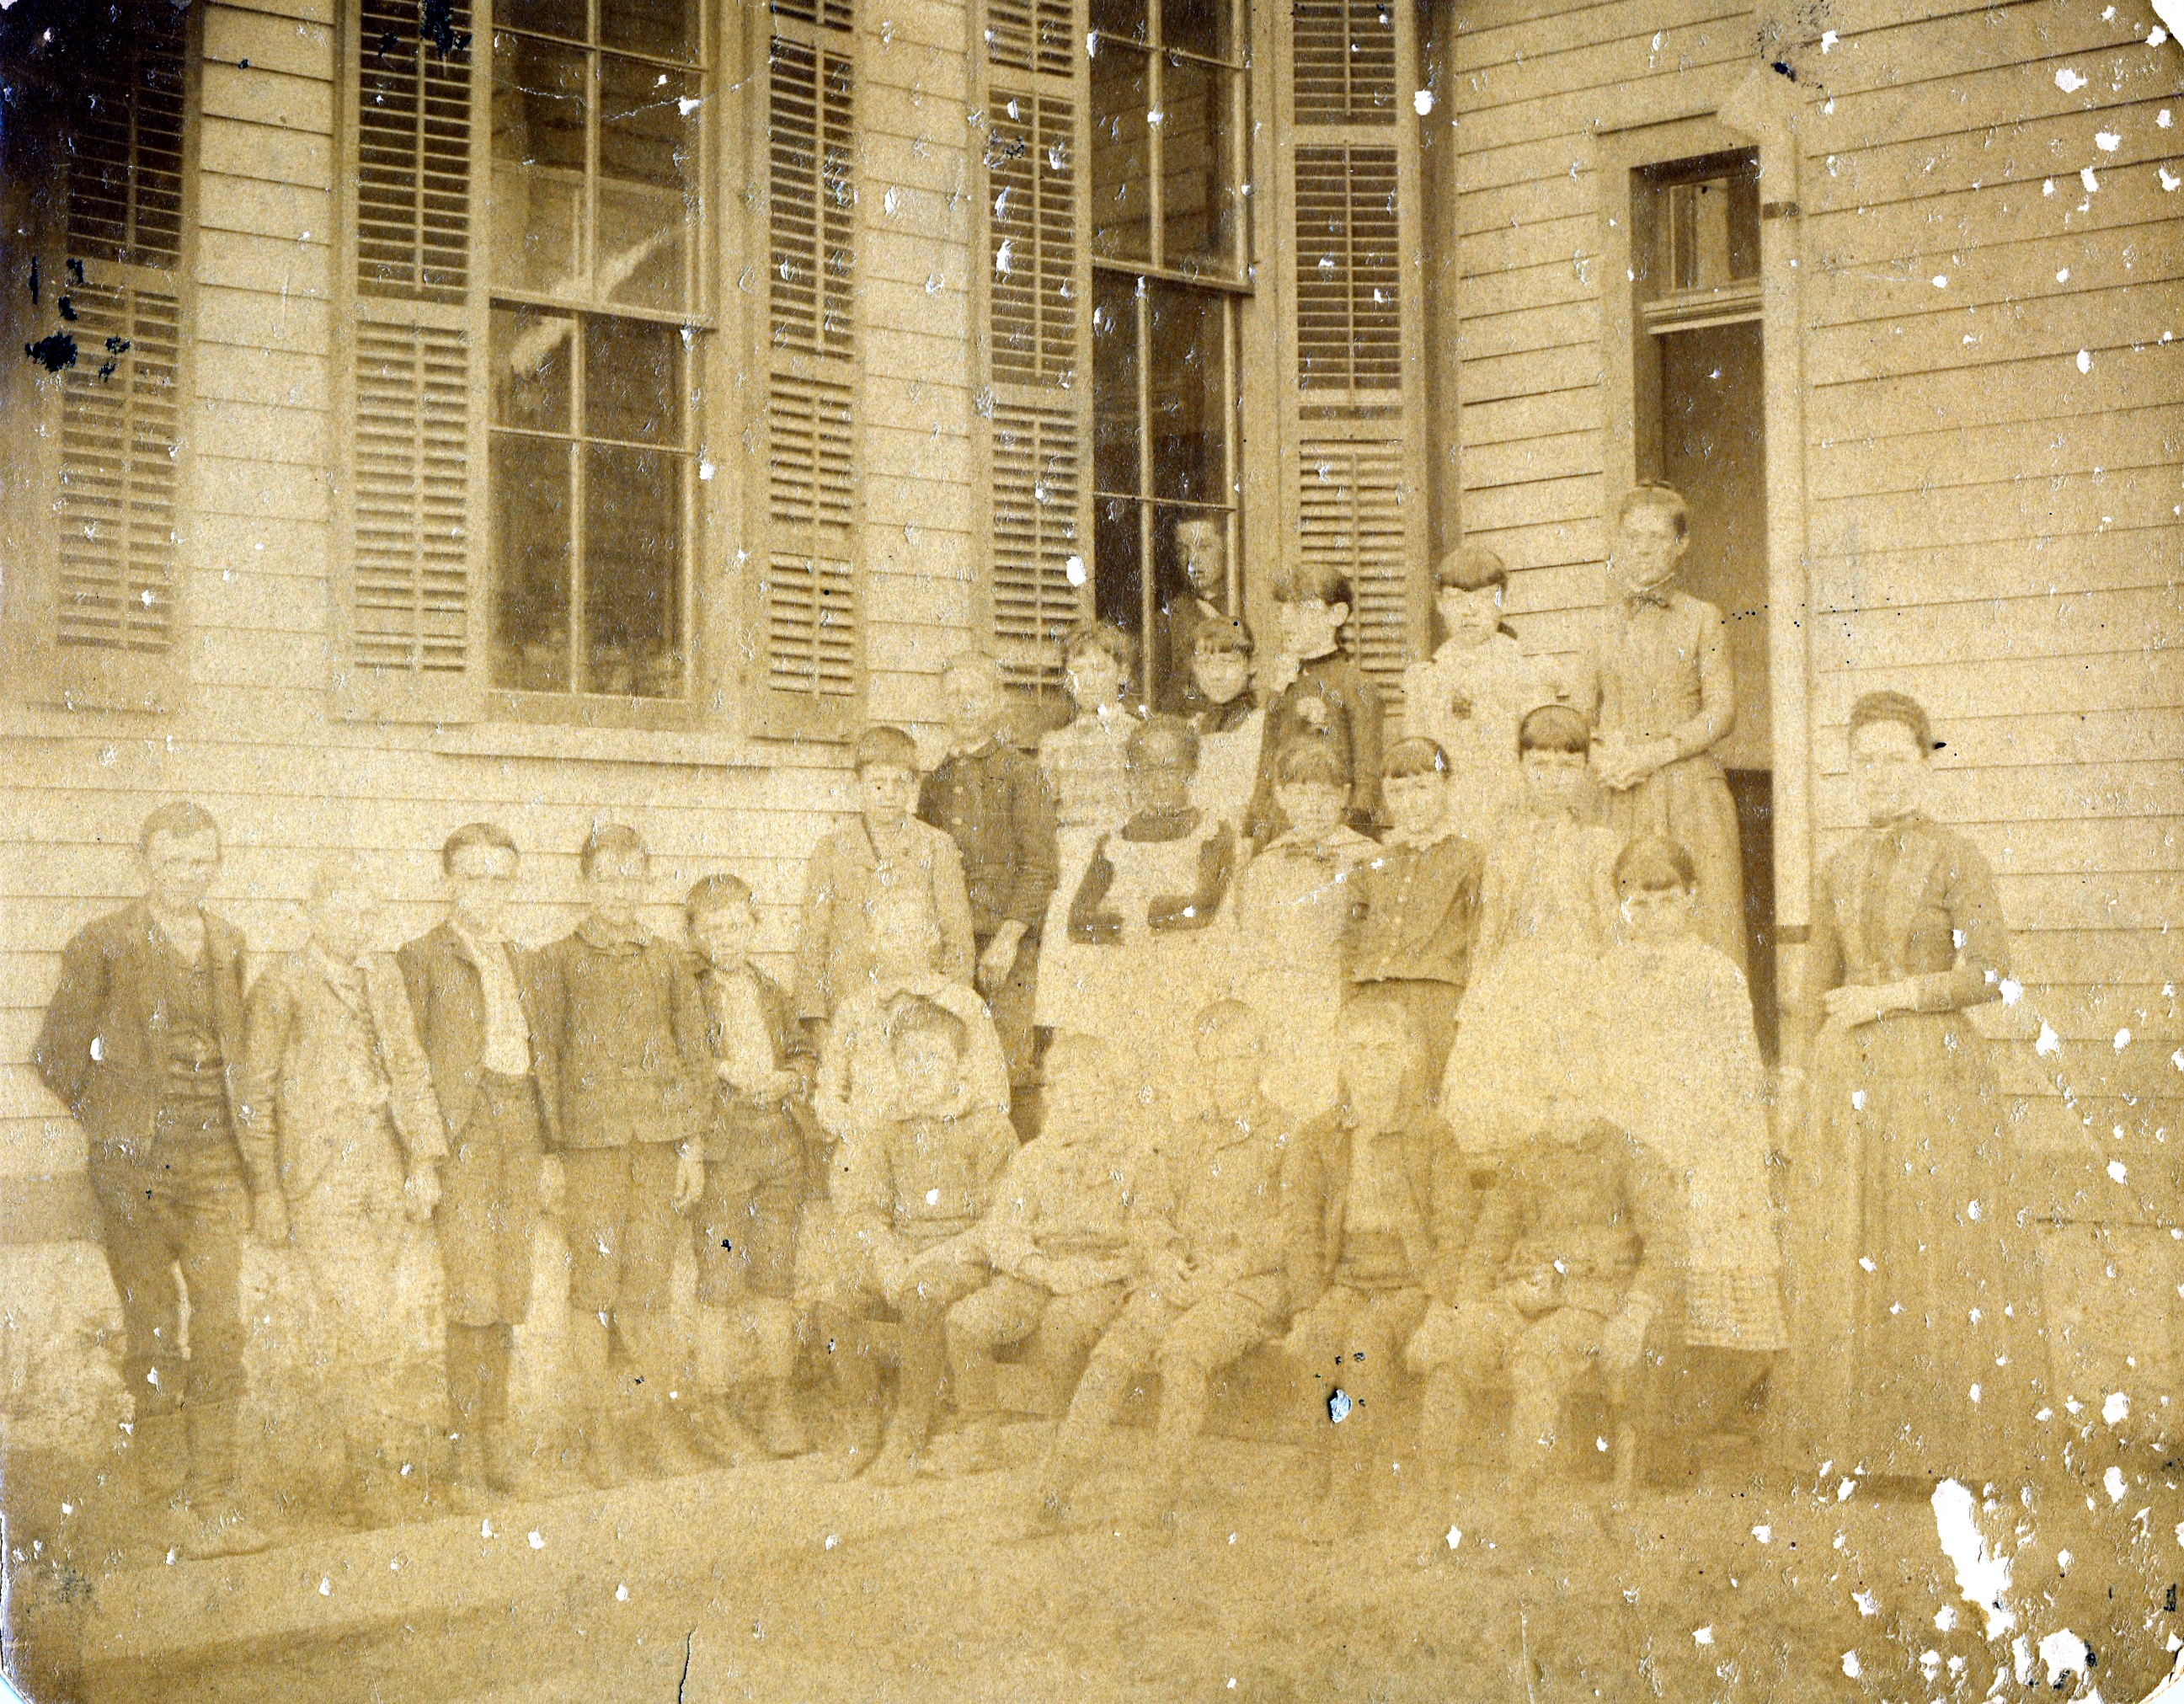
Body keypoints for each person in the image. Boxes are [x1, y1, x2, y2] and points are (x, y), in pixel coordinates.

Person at [1776, 690, 2048, 1484]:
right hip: (1848, 1079)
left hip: (1933, 1072)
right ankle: (1858, 1448)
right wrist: (1794, 1081)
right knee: (1853, 1248)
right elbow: (1813, 988)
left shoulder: (1956, 856)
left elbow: (1989, 972)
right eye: (1865, 761)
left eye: (1895, 759)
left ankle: (1947, 1451)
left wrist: (1890, 997)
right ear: (1850, 769)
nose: (1880, 775)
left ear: (1923, 765)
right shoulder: (1836, 866)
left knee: (1931, 1248)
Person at [33, 801, 270, 1557]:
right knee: (155, 1327)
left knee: (222, 1327)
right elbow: (57, 1055)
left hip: (216, 1164)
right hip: (134, 1168)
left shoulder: (229, 942)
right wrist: (116, 1119)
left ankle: (217, 1500)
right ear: (145, 864)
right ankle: (168, 1504)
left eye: (201, 862)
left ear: (217, 865)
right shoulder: (103, 943)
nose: (186, 875)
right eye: (172, 861)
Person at [237, 857, 447, 1529]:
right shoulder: (281, 984)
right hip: (320, 1175)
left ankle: (362, 1467)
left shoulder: (381, 976)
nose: (359, 926)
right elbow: (254, 1092)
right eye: (345, 912)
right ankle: (363, 1475)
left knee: (374, 1314)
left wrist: (424, 1159)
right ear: (313, 913)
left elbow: (409, 1065)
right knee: (360, 1319)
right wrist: (267, 1189)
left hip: (384, 1168)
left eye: (368, 913)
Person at [1032, 1001, 1291, 1529]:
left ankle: (1159, 1496)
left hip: (1247, 1285)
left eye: (1239, 1059)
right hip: (1180, 1276)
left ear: (1263, 1059)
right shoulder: (1184, 1136)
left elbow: (1292, 1225)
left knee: (1183, 1351)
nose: (1227, 1073)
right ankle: (1056, 1487)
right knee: (1114, 1352)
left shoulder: (1286, 1135)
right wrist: (1165, 1254)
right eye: (1214, 1061)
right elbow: (1148, 1208)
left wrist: (1230, 1267)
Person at [529, 824, 714, 1488]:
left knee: (649, 1287)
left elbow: (694, 1058)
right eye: (606, 877)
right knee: (593, 1289)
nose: (619, 890)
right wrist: (551, 1154)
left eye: (631, 876)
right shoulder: (555, 961)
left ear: (645, 881)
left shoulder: (667, 960)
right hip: (590, 1149)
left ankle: (657, 1427)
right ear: (585, 883)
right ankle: (600, 1436)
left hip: (658, 1145)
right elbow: (544, 1062)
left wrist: (691, 1147)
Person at [1589, 837, 1783, 1421]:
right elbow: (1598, 1064)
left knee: (1706, 1253)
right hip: (1632, 1134)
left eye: (1667, 901)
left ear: (1692, 897)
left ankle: (1698, 1411)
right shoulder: (1607, 973)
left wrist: (1691, 1143)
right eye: (1638, 904)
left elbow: (1739, 1075)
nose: (1652, 916)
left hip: (1705, 1139)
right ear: (1620, 906)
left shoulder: (1714, 974)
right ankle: (1641, 1404)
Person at [1407, 1112, 1681, 1515]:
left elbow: (1667, 1245)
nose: (1563, 1109)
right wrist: (1467, 1308)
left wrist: (1635, 1315)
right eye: (1553, 1097)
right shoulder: (1526, 1156)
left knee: (1534, 1357)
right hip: (1525, 1294)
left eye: (1573, 1097)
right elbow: (1488, 1246)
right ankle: (1433, 1504)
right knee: (1455, 1346)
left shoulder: (1631, 1155)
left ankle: (1519, 1506)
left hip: (1593, 1302)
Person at [397, 821, 554, 1508]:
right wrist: (422, 1155)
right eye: (473, 877)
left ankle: (496, 1434)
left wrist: (550, 1149)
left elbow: (546, 1060)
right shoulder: (422, 957)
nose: (487, 891)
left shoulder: (524, 958)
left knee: (510, 1282)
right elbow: (406, 1065)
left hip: (520, 1122)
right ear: (448, 882)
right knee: (471, 1289)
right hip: (462, 1127)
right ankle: (462, 1446)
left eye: (500, 879)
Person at [1279, 994, 1471, 1532]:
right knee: (1320, 1343)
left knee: (1363, 1349)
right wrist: (1305, 1305)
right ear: (1341, 1058)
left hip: (1407, 1284)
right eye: (1359, 1051)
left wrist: (1441, 1305)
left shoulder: (1431, 1134)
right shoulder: (1319, 1137)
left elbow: (1455, 1227)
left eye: (1385, 1051)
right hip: (1343, 1280)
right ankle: (1311, 1481)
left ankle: (1349, 1495)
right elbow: (1300, 1229)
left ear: (1408, 1058)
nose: (1371, 1064)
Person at [822, 996, 1017, 1482]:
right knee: (833, 1302)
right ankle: (865, 1420)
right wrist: (887, 1259)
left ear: (960, 1066)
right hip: (904, 1255)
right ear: (895, 1066)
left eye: (934, 1058)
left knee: (921, 1295)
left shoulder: (989, 1127)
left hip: (966, 1257)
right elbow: (865, 1210)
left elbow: (999, 1223)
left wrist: (936, 1258)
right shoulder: (887, 1130)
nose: (921, 1070)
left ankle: (911, 1430)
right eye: (910, 1059)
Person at [947, 1033, 1138, 1485]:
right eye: (1063, 1091)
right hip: (1039, 1271)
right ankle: (980, 1432)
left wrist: (1095, 1273)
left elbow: (1146, 1239)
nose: (1075, 1104)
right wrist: (1044, 1270)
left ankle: (1064, 1437)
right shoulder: (1034, 1159)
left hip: (1102, 1277)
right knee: (965, 1322)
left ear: (1111, 1098)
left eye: (1089, 1093)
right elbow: (1003, 1233)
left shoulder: (1134, 1159)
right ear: (1050, 1096)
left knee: (1062, 1326)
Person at [1570, 483, 1746, 970]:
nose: (1642, 549)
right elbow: (1578, 718)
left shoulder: (1703, 619)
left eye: (1655, 537)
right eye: (1632, 537)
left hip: (1686, 790)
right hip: (1617, 790)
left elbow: (1721, 712)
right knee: (1617, 919)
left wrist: (1654, 754)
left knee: (1700, 919)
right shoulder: (1600, 626)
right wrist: (1603, 755)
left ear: (1680, 544)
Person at [1439, 705, 1623, 1160]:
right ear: (1522, 765)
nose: (1553, 778)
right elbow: (1493, 923)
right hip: (1515, 975)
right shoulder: (1506, 839)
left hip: (1577, 976)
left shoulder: (1600, 842)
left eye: (1567, 767)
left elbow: (1610, 927)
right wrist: (1477, 993)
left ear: (1585, 769)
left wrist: (1613, 991)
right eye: (1540, 765)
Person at [683, 873, 819, 1462]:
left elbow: (803, 1053)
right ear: (694, 934)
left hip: (779, 1146)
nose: (728, 938)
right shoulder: (688, 993)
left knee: (775, 1276)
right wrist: (721, 1069)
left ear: (754, 927)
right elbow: (678, 1057)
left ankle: (777, 1398)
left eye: (737, 926)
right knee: (718, 1279)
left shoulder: (771, 990)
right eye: (714, 929)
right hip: (724, 1148)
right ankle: (713, 1405)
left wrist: (788, 1078)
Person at [1062, 715, 1237, 1113]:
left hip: (1189, 977)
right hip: (1126, 981)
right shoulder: (1115, 840)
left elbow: (1202, 909)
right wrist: (1154, 914)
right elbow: (1078, 921)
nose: (1159, 780)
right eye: (1146, 770)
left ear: (1191, 770)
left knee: (1185, 1079)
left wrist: (1126, 913)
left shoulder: (1211, 832)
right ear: (1132, 774)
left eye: (1170, 768)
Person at [917, 651, 1059, 1136]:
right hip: (952, 945)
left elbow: (1041, 867)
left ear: (997, 702)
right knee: (952, 1061)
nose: (964, 704)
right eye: (954, 695)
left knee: (1010, 1065)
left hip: (1008, 946)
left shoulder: (1021, 773)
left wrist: (1007, 940)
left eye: (975, 694)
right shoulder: (935, 781)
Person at [1228, 734, 1377, 1118]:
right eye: (1300, 793)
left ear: (1344, 795)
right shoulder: (1264, 865)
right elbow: (1250, 945)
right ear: (1281, 795)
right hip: (1280, 1003)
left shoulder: (1369, 859)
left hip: (1338, 999)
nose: (1313, 806)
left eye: (1325, 794)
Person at [793, 724, 978, 1028]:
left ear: (913, 786)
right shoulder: (831, 850)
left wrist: (949, 1009)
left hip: (919, 1013)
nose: (889, 794)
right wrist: (816, 1019)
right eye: (878, 784)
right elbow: (813, 941)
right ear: (858, 785)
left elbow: (957, 939)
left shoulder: (936, 847)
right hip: (850, 1009)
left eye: (900, 783)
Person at [1344, 738, 1487, 1085]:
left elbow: (1480, 939)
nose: (1411, 803)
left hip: (1435, 1001)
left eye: (1422, 788)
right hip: (1372, 1001)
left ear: (1447, 786)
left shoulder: (1471, 859)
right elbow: (1351, 938)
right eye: (1398, 792)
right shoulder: (1372, 864)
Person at [1032, 622, 1144, 1034]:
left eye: (1099, 668)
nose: (1088, 680)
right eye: (1077, 670)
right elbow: (1046, 811)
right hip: (1070, 857)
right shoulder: (1055, 743)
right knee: (1069, 961)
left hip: (1119, 855)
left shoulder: (1137, 735)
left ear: (1122, 673)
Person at [1400, 545, 1543, 847]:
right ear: (1440, 603)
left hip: (1507, 811)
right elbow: (1415, 756)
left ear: (1502, 603)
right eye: (1456, 599)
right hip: (1446, 814)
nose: (1469, 611)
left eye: (1483, 598)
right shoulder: (1425, 677)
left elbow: (1538, 755)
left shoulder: (1524, 671)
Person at [1243, 560, 1384, 851]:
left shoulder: (1356, 685)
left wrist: (1346, 839)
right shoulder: (1283, 685)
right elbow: (1266, 770)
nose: (1286, 621)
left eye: (1301, 609)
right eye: (1283, 610)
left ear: (1337, 614)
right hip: (1281, 832)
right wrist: (1252, 831)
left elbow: (1367, 779)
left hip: (1334, 835)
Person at [1183, 616, 1265, 832]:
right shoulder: (1193, 728)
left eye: (1227, 662)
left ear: (1252, 664)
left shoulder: (1260, 726)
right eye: (1205, 663)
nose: (1216, 675)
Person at [1152, 515, 1231, 713]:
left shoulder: (1243, 605)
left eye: (1204, 547)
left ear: (1226, 548)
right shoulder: (1167, 618)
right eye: (1183, 549)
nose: (1192, 559)